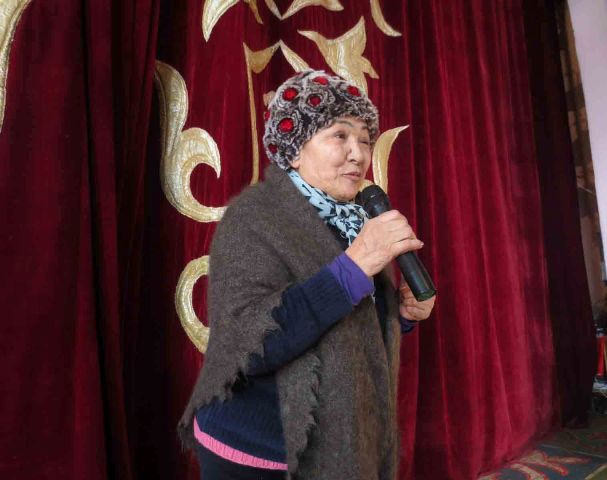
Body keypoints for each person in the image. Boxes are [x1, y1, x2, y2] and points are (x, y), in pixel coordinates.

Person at [178, 70, 436, 480]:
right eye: (340, 135)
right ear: (295, 150)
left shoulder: (355, 220)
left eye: (365, 140)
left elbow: (344, 327)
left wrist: (400, 315)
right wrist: (355, 265)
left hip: (336, 449)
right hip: (255, 452)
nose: (358, 153)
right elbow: (252, 347)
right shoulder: (253, 220)